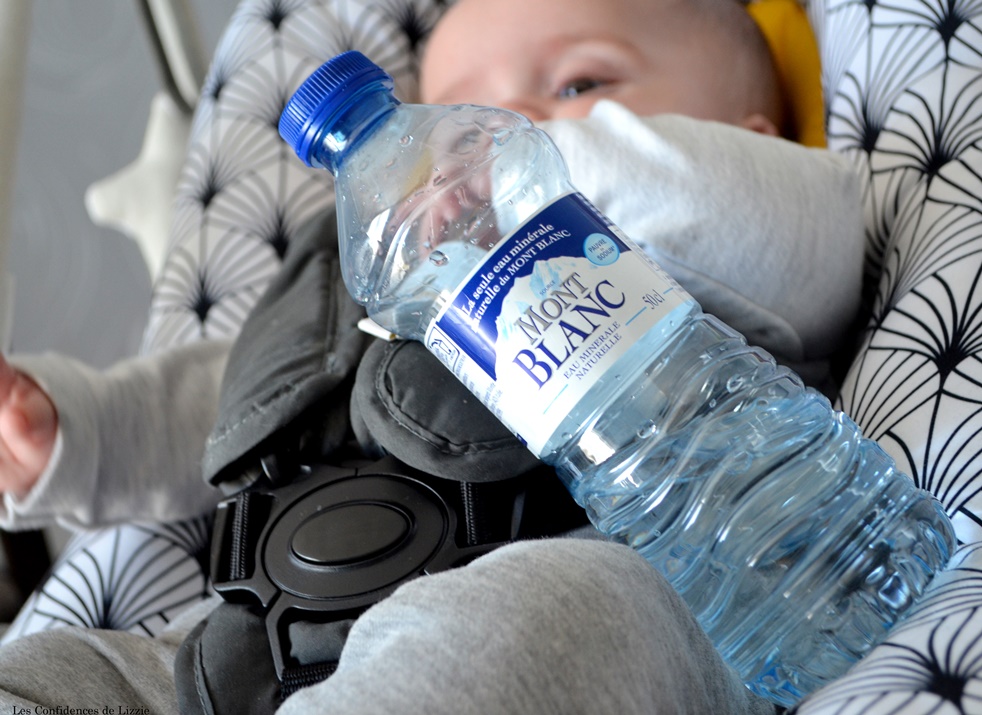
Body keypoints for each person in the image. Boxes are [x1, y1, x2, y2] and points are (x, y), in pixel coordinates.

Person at [0, 0, 862, 710]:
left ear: (757, 127)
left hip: (601, 581)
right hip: (258, 625)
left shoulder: (716, 207)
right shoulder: (367, 266)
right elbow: (229, 392)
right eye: (448, 112)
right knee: (59, 673)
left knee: (498, 636)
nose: (474, 140)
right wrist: (76, 427)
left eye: (578, 82)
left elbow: (815, 244)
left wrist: (547, 170)